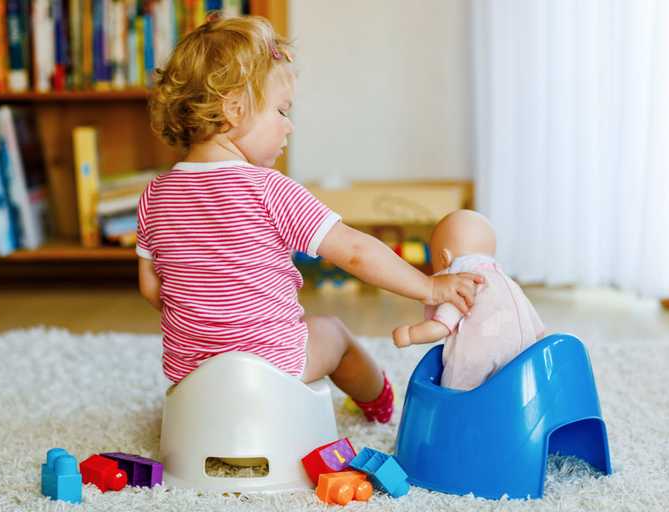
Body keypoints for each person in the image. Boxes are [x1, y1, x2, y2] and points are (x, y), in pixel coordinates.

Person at [138, 14, 483, 423]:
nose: (289, 126)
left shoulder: (153, 195)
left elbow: (151, 289)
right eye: (281, 110)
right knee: (333, 331)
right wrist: (428, 286)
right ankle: (378, 401)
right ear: (234, 110)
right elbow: (355, 252)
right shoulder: (270, 188)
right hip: (274, 366)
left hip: (191, 376)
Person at [393, 210, 546, 390]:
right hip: (522, 364)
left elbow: (440, 327)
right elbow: (538, 331)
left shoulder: (461, 282)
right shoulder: (509, 283)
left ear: (444, 258)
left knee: (455, 385)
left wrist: (410, 334)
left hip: (478, 364)